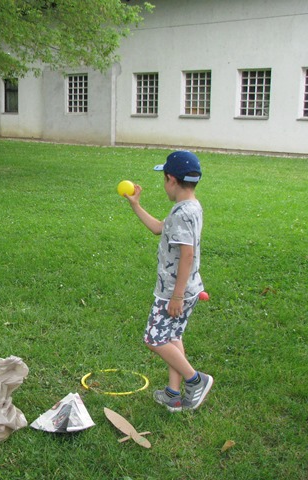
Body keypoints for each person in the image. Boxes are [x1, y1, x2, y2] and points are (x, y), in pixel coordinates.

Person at [124, 151, 213, 412]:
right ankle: (173, 395)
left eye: (164, 179)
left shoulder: (183, 214)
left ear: (171, 179)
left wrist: (176, 295)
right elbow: (157, 228)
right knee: (173, 337)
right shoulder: (190, 207)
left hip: (174, 292)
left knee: (154, 339)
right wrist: (135, 205)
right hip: (188, 289)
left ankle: (196, 380)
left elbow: (187, 254)